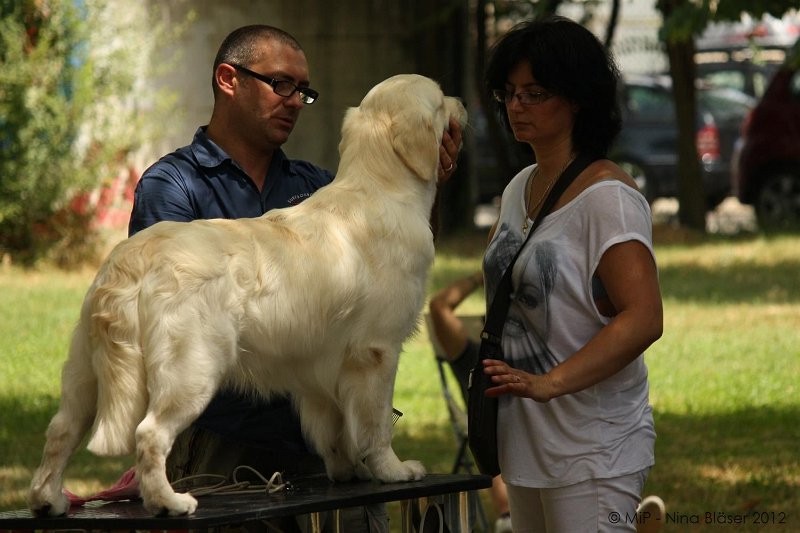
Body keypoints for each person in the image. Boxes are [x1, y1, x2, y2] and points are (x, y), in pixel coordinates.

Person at [128, 24, 462, 533]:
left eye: (303, 90)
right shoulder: (174, 185)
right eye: (280, 84)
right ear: (228, 79)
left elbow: (383, 283)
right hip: (223, 445)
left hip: (322, 445)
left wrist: (426, 184)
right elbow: (169, 321)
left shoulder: (317, 184)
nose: (294, 101)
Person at [479, 15, 664, 533]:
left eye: (535, 93)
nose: (516, 106)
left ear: (578, 98)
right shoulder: (518, 187)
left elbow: (644, 317)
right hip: (525, 443)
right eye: (509, 93)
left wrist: (549, 384)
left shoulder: (608, 197)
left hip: (593, 448)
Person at [428, 272, 512, 533]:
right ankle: (508, 519)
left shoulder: (538, 359)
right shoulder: (473, 359)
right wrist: (483, 275)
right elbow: (439, 306)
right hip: (496, 439)